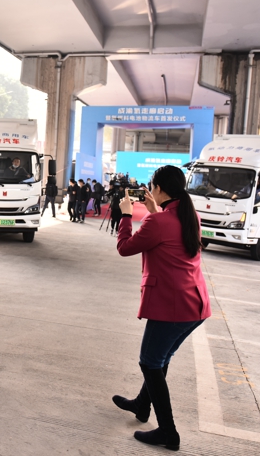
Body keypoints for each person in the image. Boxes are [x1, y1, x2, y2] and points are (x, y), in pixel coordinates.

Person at [112, 165, 211, 451]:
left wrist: (127, 214)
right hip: (195, 305)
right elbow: (168, 230)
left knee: (150, 362)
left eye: (151, 184)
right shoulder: (189, 215)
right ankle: (143, 406)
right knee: (161, 358)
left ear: (158, 188)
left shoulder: (159, 222)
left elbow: (125, 247)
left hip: (173, 306)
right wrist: (155, 209)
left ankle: (168, 432)